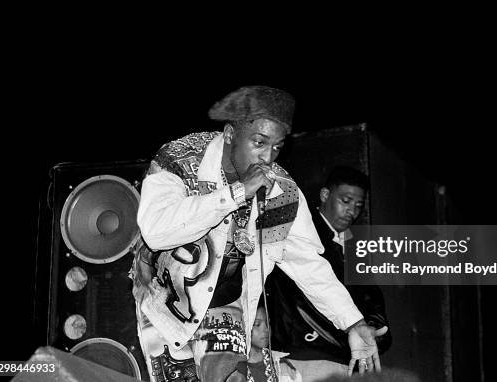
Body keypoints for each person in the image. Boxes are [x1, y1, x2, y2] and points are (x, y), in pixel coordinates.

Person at [129, 85, 388, 382]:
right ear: (229, 134)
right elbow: (157, 231)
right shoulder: (180, 159)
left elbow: (308, 264)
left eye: (276, 147)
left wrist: (352, 322)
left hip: (228, 307)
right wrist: (237, 193)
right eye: (259, 142)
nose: (267, 157)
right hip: (166, 305)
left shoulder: (282, 192)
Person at [267, 166, 393, 382]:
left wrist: (369, 327)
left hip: (343, 356)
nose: (352, 210)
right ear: (325, 195)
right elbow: (310, 287)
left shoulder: (352, 245)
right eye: (345, 201)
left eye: (358, 205)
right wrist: (353, 325)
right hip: (303, 353)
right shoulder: (302, 234)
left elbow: (371, 298)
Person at [242, 298, 302, 382]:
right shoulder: (231, 368)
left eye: (268, 323)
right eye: (257, 324)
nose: (266, 329)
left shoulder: (282, 365)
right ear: (243, 327)